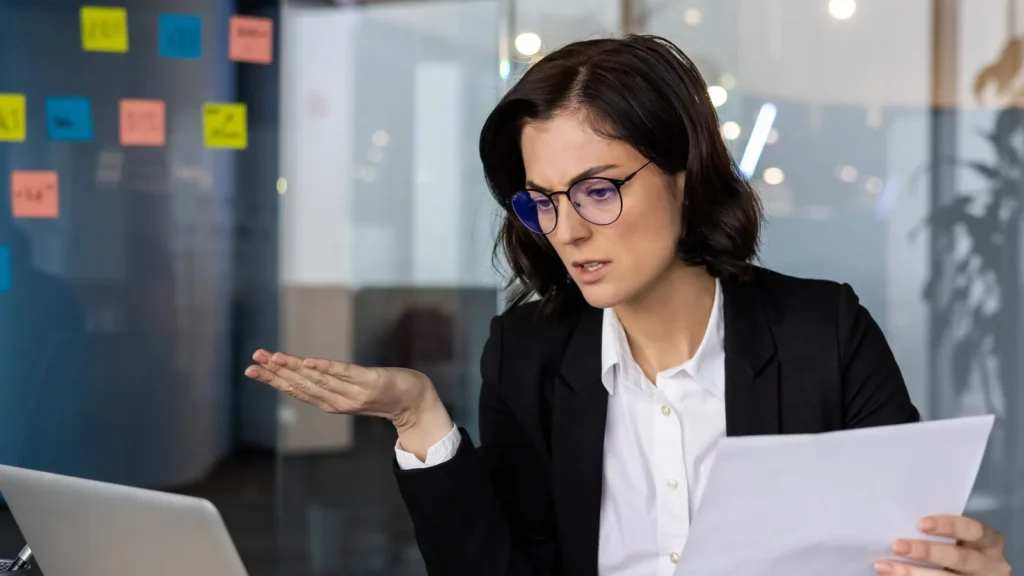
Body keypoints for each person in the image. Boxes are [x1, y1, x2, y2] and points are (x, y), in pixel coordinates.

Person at [245, 35, 1012, 576]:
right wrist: (419, 417)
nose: (568, 230)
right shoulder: (530, 351)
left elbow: (906, 545)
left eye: (598, 189)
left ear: (683, 171)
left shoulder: (824, 331)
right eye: (543, 200)